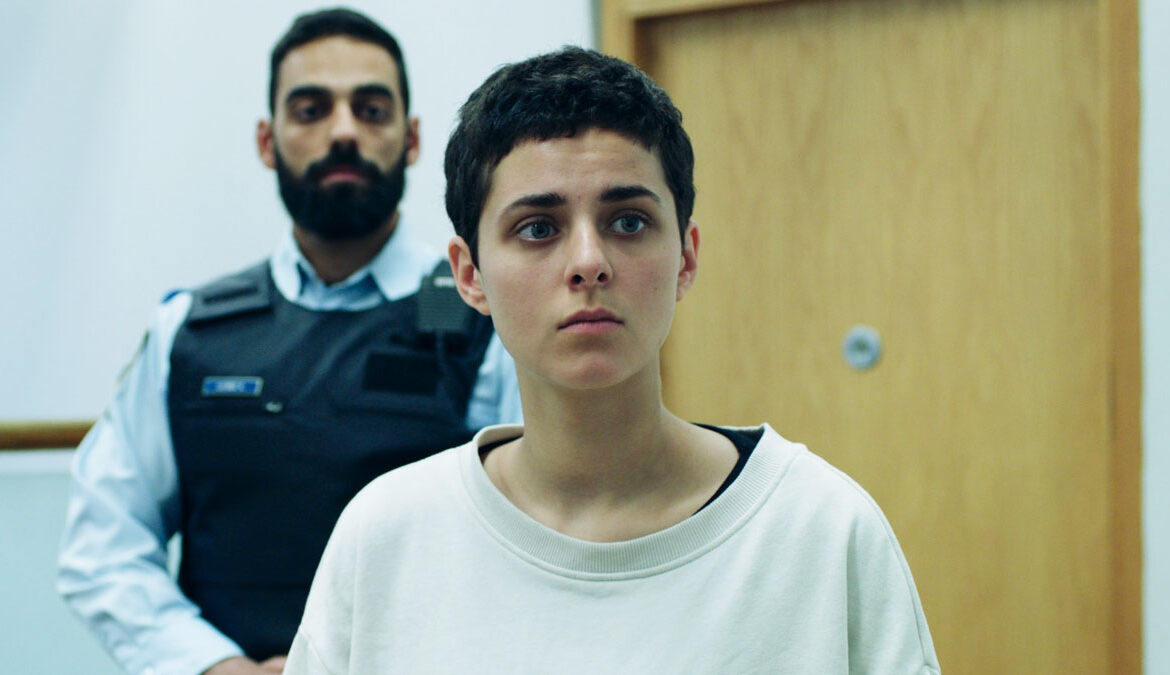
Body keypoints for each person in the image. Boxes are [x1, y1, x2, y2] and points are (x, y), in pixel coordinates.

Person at [282, 46, 940, 674]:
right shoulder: (386, 538)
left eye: (628, 221)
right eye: (538, 228)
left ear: (685, 256)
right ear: (469, 274)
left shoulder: (820, 530)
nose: (588, 262)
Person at [57, 8, 521, 675]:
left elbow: (528, 545)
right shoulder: (190, 332)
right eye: (310, 110)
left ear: (412, 138)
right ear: (267, 141)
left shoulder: (484, 318)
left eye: (371, 109)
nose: (343, 131)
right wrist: (214, 665)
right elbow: (103, 544)